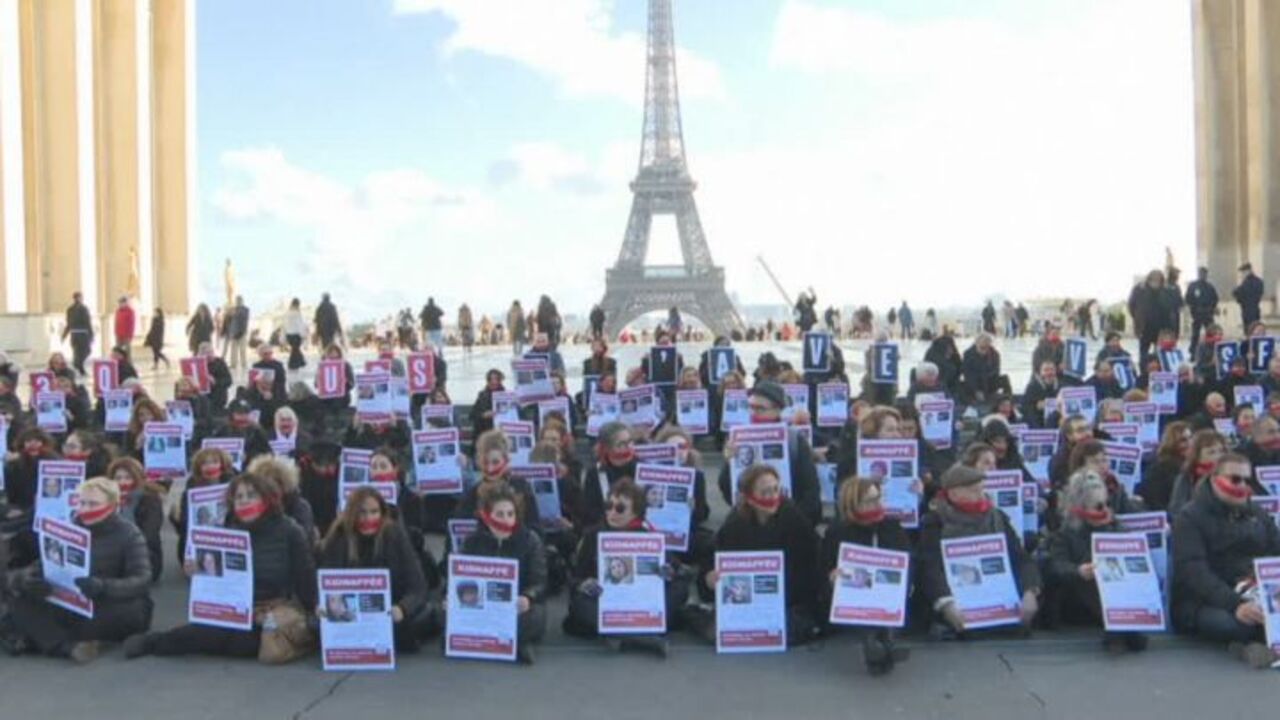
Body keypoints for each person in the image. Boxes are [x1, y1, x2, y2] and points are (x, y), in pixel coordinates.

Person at [124, 472, 317, 660]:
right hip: (232, 608)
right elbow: (215, 579)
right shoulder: (227, 530)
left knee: (244, 642)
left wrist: (314, 611)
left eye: (251, 495)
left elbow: (305, 575)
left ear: (267, 499)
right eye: (239, 496)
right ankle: (153, 643)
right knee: (202, 633)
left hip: (270, 609)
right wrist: (196, 570)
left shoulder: (289, 530)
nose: (244, 501)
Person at [2, 478, 153, 663]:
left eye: (93, 503)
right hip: (70, 600)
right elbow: (40, 566)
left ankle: (32, 638)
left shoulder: (129, 533)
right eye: (82, 503)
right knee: (20, 599)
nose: (86, 509)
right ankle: (66, 647)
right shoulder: (67, 528)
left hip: (108, 602)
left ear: (113, 505)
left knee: (133, 612)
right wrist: (30, 579)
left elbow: (142, 578)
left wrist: (103, 586)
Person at [1172, 452, 1280, 668]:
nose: (1242, 485)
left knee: (1260, 617)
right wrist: (1236, 604)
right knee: (1235, 624)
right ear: (1215, 479)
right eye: (1235, 479)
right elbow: (1193, 571)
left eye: (1247, 480)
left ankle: (1262, 643)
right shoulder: (1189, 517)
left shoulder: (1257, 514)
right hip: (1203, 600)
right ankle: (1246, 646)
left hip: (1253, 588)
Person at [562, 479, 687, 656]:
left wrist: (667, 572)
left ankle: (619, 634)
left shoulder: (649, 535)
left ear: (635, 512)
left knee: (680, 588)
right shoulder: (592, 535)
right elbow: (575, 578)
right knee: (580, 603)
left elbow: (674, 569)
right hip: (606, 600)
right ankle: (642, 636)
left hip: (641, 600)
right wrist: (584, 584)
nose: (612, 512)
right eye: (609, 505)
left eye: (620, 508)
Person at [700, 464, 821, 646]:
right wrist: (710, 578)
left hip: (789, 600)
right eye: (765, 493)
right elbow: (714, 558)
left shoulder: (794, 519)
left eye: (775, 490)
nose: (772, 497)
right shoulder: (735, 524)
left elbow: (812, 567)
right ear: (748, 498)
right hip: (746, 601)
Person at [918, 465, 1041, 638]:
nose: (981, 496)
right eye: (974, 491)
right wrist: (946, 603)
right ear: (953, 494)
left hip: (998, 597)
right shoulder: (935, 521)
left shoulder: (997, 517)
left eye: (982, 490)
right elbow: (930, 566)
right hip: (957, 596)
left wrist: (1030, 590)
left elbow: (1021, 557)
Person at [319, 486, 437, 653]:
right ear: (352, 513)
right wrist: (324, 606)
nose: (369, 518)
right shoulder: (339, 537)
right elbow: (326, 581)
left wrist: (403, 608)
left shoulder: (395, 534)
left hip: (392, 610)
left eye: (374, 512)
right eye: (362, 512)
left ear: (382, 512)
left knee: (420, 618)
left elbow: (418, 585)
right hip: (350, 612)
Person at [1045, 469, 1148, 652]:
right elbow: (1056, 565)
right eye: (1098, 506)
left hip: (1111, 587)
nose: (1105, 510)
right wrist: (1077, 570)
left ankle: (1125, 623)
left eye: (1106, 504)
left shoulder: (1115, 525)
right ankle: (1118, 628)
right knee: (1094, 574)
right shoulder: (1066, 532)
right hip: (1077, 597)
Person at [821, 477, 912, 675]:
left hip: (888, 589)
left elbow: (908, 561)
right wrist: (832, 576)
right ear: (853, 505)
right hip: (854, 592)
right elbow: (824, 566)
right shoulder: (838, 531)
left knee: (887, 600)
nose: (877, 504)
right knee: (862, 602)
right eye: (870, 501)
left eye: (878, 498)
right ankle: (876, 642)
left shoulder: (892, 527)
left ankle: (883, 640)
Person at [459, 484, 546, 664]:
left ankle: (505, 640)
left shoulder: (530, 540)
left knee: (535, 616)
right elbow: (459, 579)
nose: (506, 520)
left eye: (510, 514)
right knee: (445, 615)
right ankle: (510, 642)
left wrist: (528, 597)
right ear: (486, 516)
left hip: (517, 607)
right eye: (500, 514)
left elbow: (540, 581)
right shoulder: (472, 542)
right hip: (481, 605)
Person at [716, 381, 821, 526]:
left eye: (760, 408)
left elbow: (810, 490)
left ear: (778, 410)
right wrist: (729, 462)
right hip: (750, 521)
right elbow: (728, 491)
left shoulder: (794, 440)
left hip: (788, 521)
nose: (753, 413)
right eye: (750, 407)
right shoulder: (737, 439)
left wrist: (795, 523)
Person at [108, 457, 165, 582]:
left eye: (128, 477)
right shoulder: (107, 499)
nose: (122, 482)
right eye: (118, 478)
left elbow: (149, 534)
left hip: (144, 556)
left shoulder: (150, 500)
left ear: (137, 478)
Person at [1167, 430, 1229, 514]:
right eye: (1211, 452)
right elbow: (1177, 511)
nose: (1218, 456)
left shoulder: (1233, 477)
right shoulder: (1186, 478)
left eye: (1222, 451)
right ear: (1197, 455)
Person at [1135, 422, 1192, 512]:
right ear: (1172, 443)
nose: (1190, 443)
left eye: (1191, 438)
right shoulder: (1161, 468)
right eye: (1183, 440)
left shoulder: (1190, 465)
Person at [1129, 270, 1169, 361]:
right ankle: (1144, 371)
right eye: (1154, 279)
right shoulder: (1139, 289)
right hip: (1144, 326)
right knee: (1143, 351)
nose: (1156, 282)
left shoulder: (1165, 291)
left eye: (1158, 280)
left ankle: (1158, 372)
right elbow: (1132, 305)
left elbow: (1169, 308)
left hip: (1160, 327)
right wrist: (1137, 319)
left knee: (1159, 353)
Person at [961, 333, 1011, 407]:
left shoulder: (995, 354)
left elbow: (996, 371)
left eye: (987, 347)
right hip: (975, 381)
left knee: (1004, 379)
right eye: (982, 347)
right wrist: (976, 390)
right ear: (976, 344)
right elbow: (967, 374)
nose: (984, 350)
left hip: (989, 380)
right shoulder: (968, 354)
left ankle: (1008, 402)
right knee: (963, 386)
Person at [1185, 266, 1219, 354]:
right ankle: (1193, 352)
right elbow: (1188, 298)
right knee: (1195, 334)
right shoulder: (1193, 286)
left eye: (1204, 274)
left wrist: (1211, 308)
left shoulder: (1210, 287)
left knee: (1211, 333)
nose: (1202, 275)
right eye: (1201, 273)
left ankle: (1211, 350)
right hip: (1197, 314)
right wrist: (1193, 308)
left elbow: (1215, 299)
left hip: (1208, 314)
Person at [62, 292, 94, 376]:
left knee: (80, 352)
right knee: (83, 351)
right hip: (81, 334)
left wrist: (65, 334)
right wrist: (91, 334)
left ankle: (78, 365)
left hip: (76, 334)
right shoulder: (82, 309)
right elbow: (87, 322)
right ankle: (78, 365)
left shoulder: (72, 309)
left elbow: (69, 323)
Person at [1233, 263, 1265, 334]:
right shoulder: (1259, 281)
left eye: (1243, 272)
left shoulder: (1246, 283)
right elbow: (1260, 294)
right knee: (1255, 331)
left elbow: (1237, 293)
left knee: (1248, 331)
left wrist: (1239, 298)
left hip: (1247, 310)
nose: (1242, 275)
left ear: (1248, 271)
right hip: (1255, 309)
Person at [282, 298, 308, 370]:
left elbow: (284, 325)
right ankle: (292, 364)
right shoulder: (297, 313)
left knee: (295, 349)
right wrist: (303, 334)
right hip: (296, 334)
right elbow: (300, 324)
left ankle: (301, 362)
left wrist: (283, 336)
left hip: (289, 334)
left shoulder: (287, 313)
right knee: (295, 349)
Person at [226, 296, 249, 371]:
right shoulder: (233, 309)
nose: (238, 302)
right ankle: (233, 364)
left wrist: (234, 312)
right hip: (233, 332)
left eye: (239, 300)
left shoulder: (245, 309)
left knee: (243, 349)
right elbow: (229, 319)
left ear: (242, 301)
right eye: (237, 300)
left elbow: (244, 318)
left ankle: (244, 364)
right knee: (233, 350)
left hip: (242, 332)